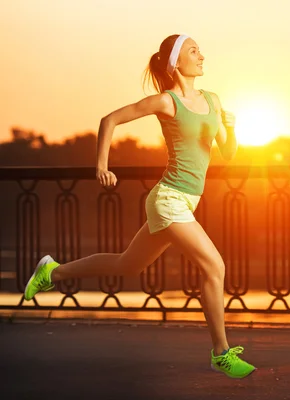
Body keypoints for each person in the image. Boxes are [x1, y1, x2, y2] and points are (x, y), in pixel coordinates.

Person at [23, 34, 256, 379]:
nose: (202, 55)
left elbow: (228, 154)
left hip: (186, 201)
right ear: (176, 63)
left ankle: (52, 272)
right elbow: (110, 120)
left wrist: (232, 130)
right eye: (194, 51)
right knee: (214, 267)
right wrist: (101, 166)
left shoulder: (213, 100)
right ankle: (220, 353)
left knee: (127, 265)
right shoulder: (166, 102)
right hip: (169, 200)